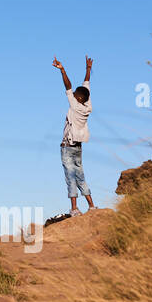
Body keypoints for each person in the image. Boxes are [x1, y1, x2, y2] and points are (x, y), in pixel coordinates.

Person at [52, 55, 96, 216]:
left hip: (67, 147)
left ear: (77, 98)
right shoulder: (87, 105)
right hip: (78, 147)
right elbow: (86, 86)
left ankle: (74, 208)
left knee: (70, 177)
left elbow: (68, 86)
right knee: (81, 175)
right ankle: (91, 205)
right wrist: (88, 69)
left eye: (76, 93)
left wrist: (62, 70)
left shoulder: (75, 105)